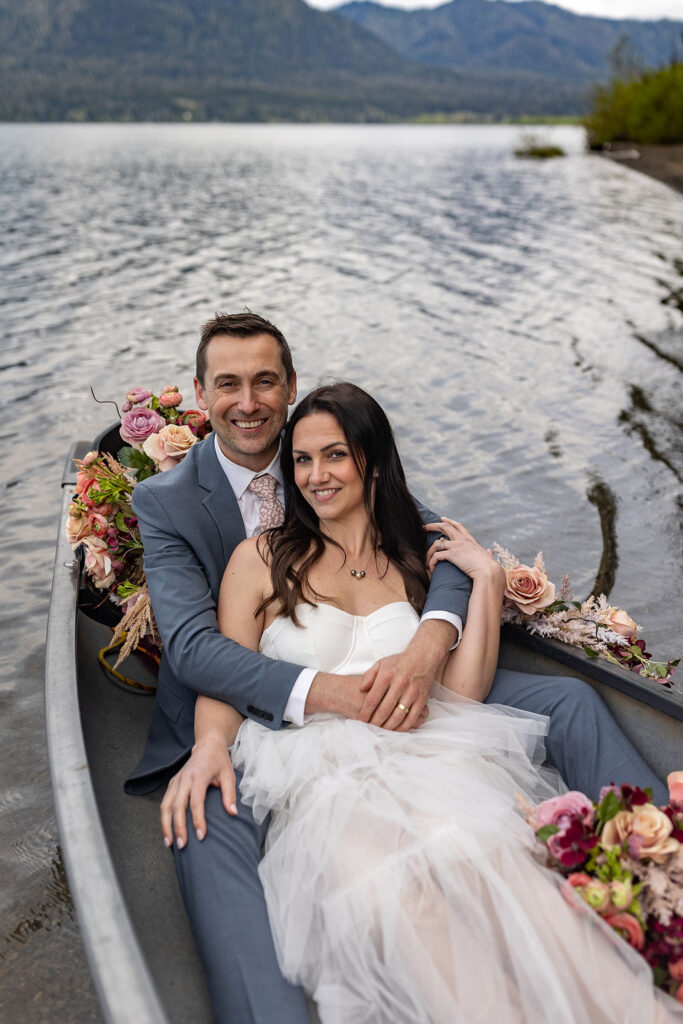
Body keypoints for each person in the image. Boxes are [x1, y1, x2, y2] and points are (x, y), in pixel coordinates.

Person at [126, 312, 666, 1024]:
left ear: (290, 387)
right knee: (246, 841)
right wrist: (235, 735)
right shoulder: (175, 508)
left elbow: (436, 548)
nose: (248, 401)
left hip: (412, 716)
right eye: (228, 384)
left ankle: (662, 866)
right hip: (272, 727)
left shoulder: (342, 469)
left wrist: (427, 643)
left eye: (265, 382)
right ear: (202, 393)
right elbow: (199, 653)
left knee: (493, 838)